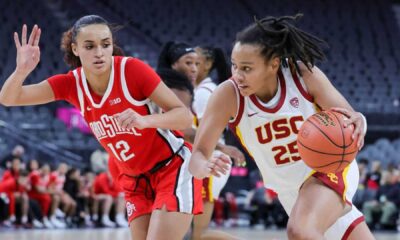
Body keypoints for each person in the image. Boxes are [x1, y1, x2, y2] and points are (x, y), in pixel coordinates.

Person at [0, 15, 202, 239]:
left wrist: (146, 120)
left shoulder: (131, 70)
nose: (99, 52)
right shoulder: (71, 84)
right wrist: (22, 71)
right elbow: (9, 98)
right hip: (135, 180)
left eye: (105, 45)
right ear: (75, 49)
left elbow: (183, 116)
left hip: (171, 167)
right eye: (90, 46)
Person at [189, 14, 375, 240]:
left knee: (301, 230)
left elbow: (349, 118)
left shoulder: (303, 76)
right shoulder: (227, 95)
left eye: (246, 68)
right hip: (288, 190)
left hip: (329, 167)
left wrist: (358, 122)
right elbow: (198, 155)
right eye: (234, 66)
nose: (237, 75)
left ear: (273, 64)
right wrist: (204, 165)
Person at [191, 46, 245, 240]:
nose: (191, 68)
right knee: (194, 230)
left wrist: (221, 148)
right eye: (189, 63)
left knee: (200, 233)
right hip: (206, 157)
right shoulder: (200, 90)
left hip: (211, 157)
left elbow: (207, 133)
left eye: (195, 63)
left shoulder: (205, 92)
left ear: (207, 65)